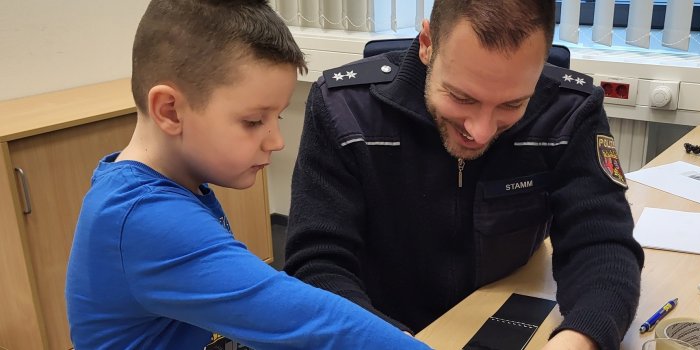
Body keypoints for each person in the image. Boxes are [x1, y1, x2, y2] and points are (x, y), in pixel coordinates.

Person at [64, 1, 433, 349]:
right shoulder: (145, 218)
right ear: (170, 111)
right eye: (254, 121)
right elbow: (309, 321)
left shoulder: (163, 188)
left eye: (278, 117)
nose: (274, 140)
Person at [283, 0, 644, 349]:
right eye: (461, 97)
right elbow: (317, 263)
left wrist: (581, 339)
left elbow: (601, 244)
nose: (481, 131)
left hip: (508, 314)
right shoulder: (343, 109)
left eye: (512, 104)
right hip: (375, 325)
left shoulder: (570, 111)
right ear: (427, 45)